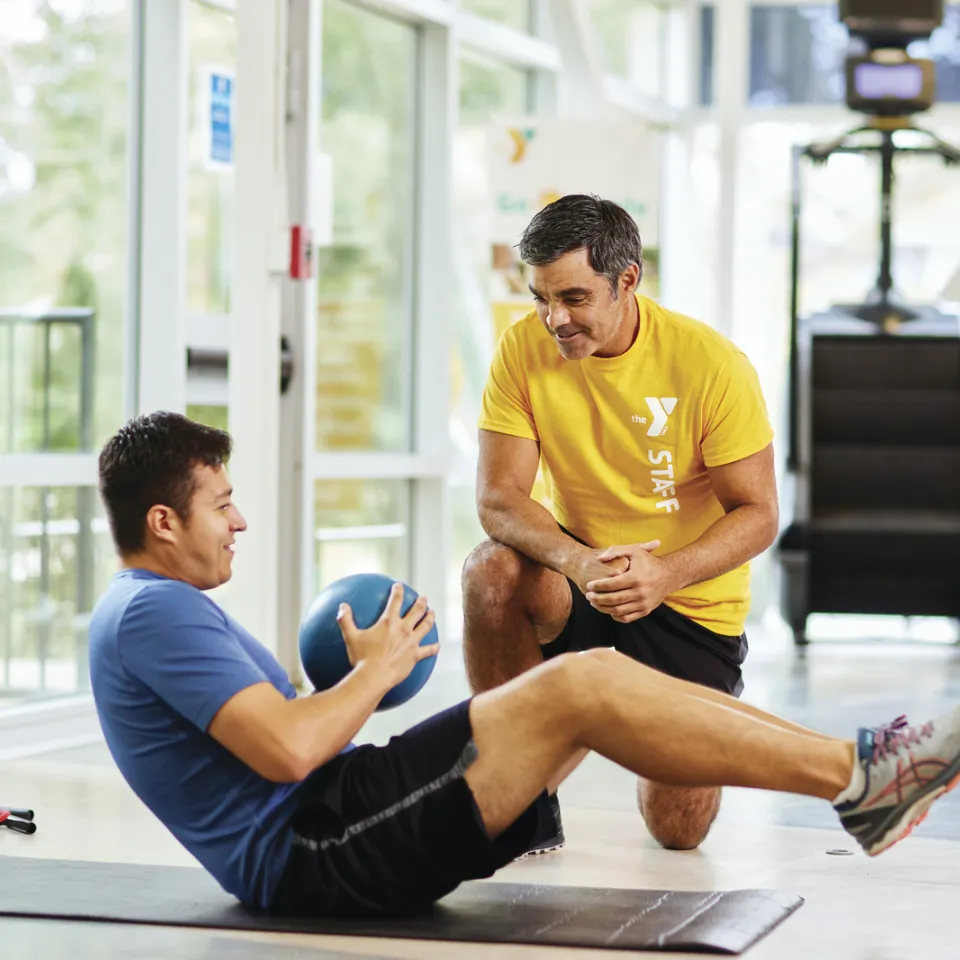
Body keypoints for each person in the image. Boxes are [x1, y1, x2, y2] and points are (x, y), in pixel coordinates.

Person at [88, 412, 960, 919]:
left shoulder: (158, 612)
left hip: (332, 812)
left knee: (596, 677)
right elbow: (285, 755)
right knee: (582, 681)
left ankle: (860, 773)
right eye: (222, 504)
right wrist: (374, 674)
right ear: (164, 523)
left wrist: (352, 681)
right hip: (314, 846)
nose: (238, 522)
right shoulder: (152, 613)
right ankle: (863, 777)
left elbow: (269, 734)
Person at [463, 194, 779, 856]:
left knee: (679, 829)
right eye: (541, 298)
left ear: (628, 279)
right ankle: (524, 788)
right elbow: (498, 499)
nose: (555, 319)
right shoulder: (522, 350)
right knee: (490, 570)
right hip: (584, 575)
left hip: (687, 599)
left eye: (574, 298)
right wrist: (577, 562)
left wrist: (666, 573)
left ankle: (581, 725)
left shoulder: (709, 364)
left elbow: (759, 514)